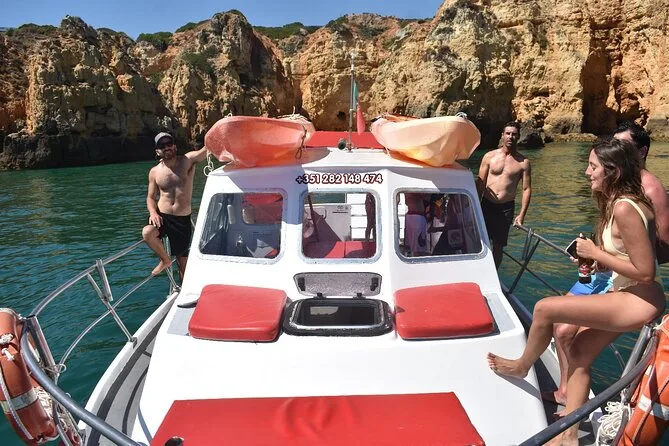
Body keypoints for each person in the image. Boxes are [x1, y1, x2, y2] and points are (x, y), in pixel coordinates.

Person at [487, 137, 665, 445]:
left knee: (545, 308)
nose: (587, 172)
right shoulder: (619, 203)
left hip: (640, 298)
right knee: (580, 351)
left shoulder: (624, 208)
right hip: (630, 292)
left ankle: (522, 365)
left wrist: (595, 252)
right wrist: (598, 261)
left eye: (593, 166)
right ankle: (569, 435)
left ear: (612, 171)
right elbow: (628, 258)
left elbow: (647, 272)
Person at [547, 121, 669, 409]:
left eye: (622, 145)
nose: (613, 150)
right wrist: (598, 255)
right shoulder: (613, 186)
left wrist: (616, 257)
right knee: (561, 329)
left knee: (557, 322)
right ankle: (565, 392)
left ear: (641, 151)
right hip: (608, 272)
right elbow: (617, 237)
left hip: (629, 280)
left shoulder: (648, 188)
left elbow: (661, 248)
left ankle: (561, 391)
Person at [142, 132, 208, 280]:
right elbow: (150, 197)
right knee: (148, 233)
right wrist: (153, 212)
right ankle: (165, 260)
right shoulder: (154, 172)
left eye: (169, 144)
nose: (167, 147)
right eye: (162, 145)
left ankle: (185, 288)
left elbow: (206, 150)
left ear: (175, 146)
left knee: (182, 262)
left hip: (181, 219)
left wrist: (220, 130)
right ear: (157, 151)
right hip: (162, 217)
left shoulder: (187, 160)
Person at [476, 121, 532, 268]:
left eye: (514, 134)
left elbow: (526, 189)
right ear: (502, 135)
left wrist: (521, 215)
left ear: (518, 137)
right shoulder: (489, 156)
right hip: (486, 204)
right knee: (480, 241)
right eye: (508, 133)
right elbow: (480, 183)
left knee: (498, 246)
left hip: (506, 208)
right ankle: (480, 271)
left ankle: (494, 274)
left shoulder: (523, 163)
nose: (510, 137)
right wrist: (474, 206)